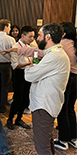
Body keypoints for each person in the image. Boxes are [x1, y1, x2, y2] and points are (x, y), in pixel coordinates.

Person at [25, 23, 70, 155]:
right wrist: (35, 68)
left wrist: (30, 67)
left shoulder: (55, 56)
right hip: (45, 103)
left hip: (43, 105)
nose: (37, 39)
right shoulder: (54, 54)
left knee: (42, 147)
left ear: (48, 37)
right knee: (46, 141)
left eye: (39, 35)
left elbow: (29, 76)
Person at [6, 26, 35, 130]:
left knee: (26, 98)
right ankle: (10, 119)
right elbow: (15, 65)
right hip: (19, 74)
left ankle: (19, 119)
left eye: (33, 36)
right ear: (23, 35)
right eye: (30, 36)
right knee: (18, 98)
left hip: (28, 73)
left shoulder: (29, 46)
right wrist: (28, 63)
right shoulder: (16, 47)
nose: (32, 39)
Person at [54, 21, 77, 150]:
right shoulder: (75, 43)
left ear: (64, 32)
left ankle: (63, 140)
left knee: (62, 109)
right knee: (70, 108)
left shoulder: (62, 44)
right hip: (76, 80)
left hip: (67, 79)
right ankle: (73, 137)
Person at [0, 19, 15, 114]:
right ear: (5, 27)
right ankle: (3, 107)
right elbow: (13, 53)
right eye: (9, 27)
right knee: (5, 87)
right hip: (6, 65)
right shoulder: (10, 39)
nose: (10, 29)